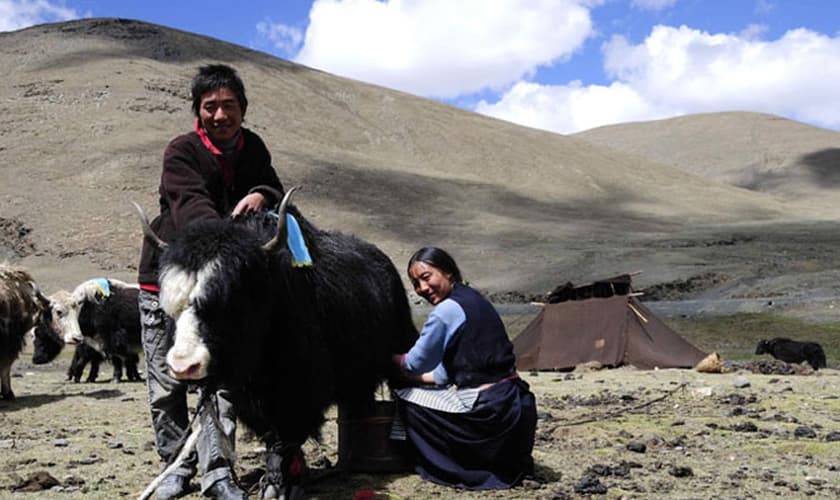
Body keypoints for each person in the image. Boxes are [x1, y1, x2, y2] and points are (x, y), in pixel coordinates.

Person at [137, 64, 285, 500]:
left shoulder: (253, 146)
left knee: (222, 380)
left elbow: (271, 185)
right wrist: (230, 243)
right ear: (197, 111)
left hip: (222, 290)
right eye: (210, 107)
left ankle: (218, 470)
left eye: (229, 106)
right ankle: (173, 469)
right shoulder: (180, 151)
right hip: (171, 283)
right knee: (167, 383)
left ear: (243, 108)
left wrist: (262, 193)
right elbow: (190, 206)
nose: (220, 115)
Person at [391, 247, 537, 490]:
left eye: (426, 277)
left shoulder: (446, 311)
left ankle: (448, 464)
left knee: (406, 401)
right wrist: (414, 378)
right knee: (422, 393)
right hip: (515, 404)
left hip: (489, 411)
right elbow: (444, 375)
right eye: (415, 283)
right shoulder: (474, 299)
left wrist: (388, 359)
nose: (422, 289)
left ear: (448, 272)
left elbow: (415, 363)